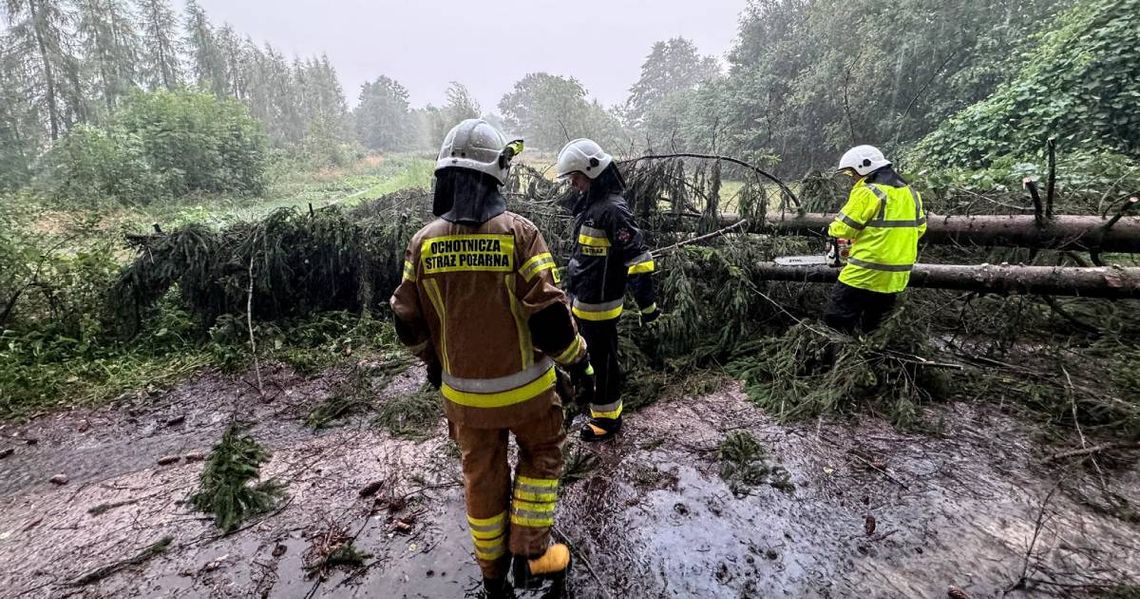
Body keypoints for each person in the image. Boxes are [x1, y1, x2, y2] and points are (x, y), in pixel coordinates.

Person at [390, 119, 594, 598]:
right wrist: (580, 362)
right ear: (496, 172)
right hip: (527, 393)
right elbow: (549, 319)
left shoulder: (423, 243)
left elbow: (406, 321)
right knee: (541, 454)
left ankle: (492, 577)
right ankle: (532, 553)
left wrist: (434, 363)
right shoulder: (519, 235)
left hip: (463, 399)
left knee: (480, 477)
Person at [555, 139, 658, 442]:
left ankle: (608, 419)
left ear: (593, 170)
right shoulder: (591, 206)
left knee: (603, 362)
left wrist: (647, 306)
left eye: (576, 177)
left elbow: (638, 259)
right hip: (583, 300)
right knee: (588, 359)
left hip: (601, 306)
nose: (572, 183)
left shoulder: (613, 211)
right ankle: (591, 403)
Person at [824, 145, 927, 334]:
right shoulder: (911, 193)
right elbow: (920, 228)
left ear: (863, 167)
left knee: (836, 322)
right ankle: (867, 359)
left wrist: (832, 230)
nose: (852, 178)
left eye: (852, 173)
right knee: (874, 327)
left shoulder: (869, 192)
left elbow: (843, 228)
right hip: (896, 276)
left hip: (864, 272)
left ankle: (837, 360)